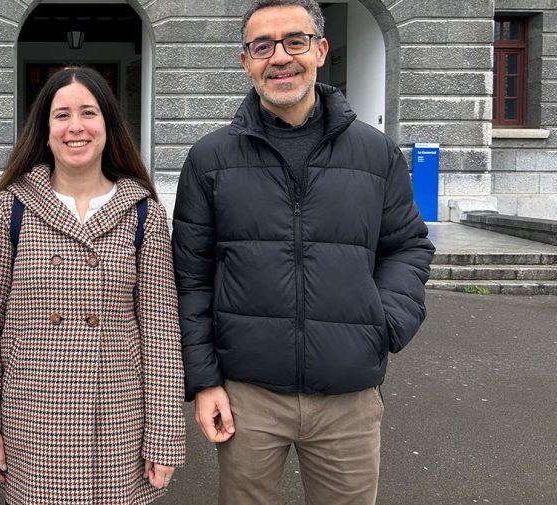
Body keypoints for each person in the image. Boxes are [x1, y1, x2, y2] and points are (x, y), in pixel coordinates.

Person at [172, 1, 435, 504]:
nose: (280, 58)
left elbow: (406, 247)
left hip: (348, 395)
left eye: (295, 41)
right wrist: (204, 381)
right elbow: (191, 277)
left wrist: (384, 324)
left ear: (320, 49)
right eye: (262, 46)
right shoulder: (209, 159)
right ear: (245, 61)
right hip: (248, 395)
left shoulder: (375, 153)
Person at [0, 66, 186, 504]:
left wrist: (165, 434)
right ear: (45, 130)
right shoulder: (10, 208)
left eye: (88, 112)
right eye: (62, 115)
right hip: (31, 417)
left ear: (108, 125)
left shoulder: (143, 212)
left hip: (119, 420)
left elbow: (160, 331)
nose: (76, 127)